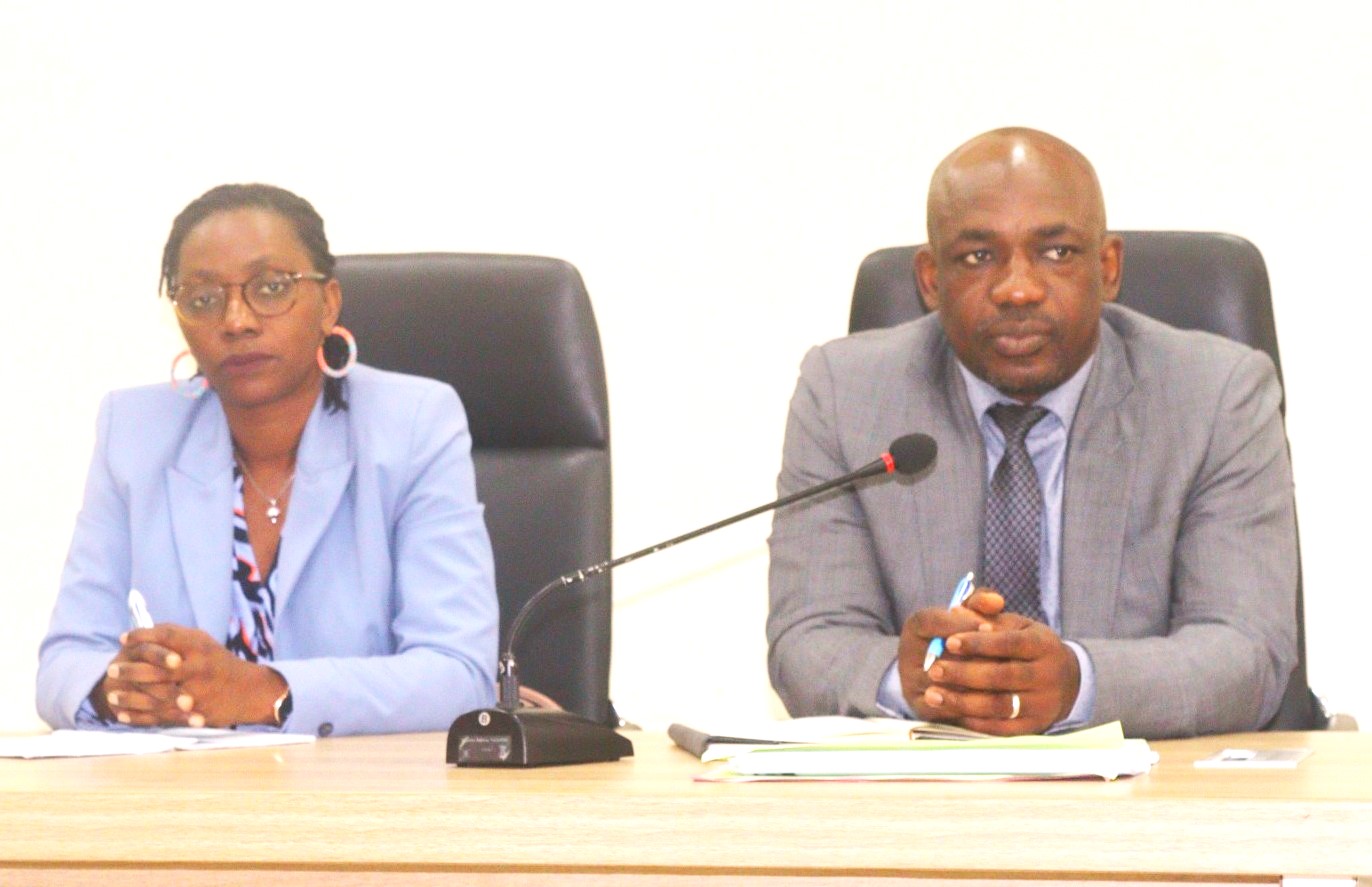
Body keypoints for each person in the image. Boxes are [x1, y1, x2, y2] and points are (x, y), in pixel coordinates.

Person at [766, 128, 1297, 739]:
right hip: (922, 787)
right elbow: (808, 639)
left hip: (1148, 787)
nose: (1017, 289)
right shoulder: (843, 394)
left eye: (1057, 252)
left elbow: (1246, 650)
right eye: (977, 257)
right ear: (930, 280)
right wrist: (906, 680)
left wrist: (1075, 683)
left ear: (1108, 267)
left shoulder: (1216, 394)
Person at [37, 184, 498, 736]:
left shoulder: (413, 424)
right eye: (202, 298)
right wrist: (121, 689)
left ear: (328, 304)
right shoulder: (135, 432)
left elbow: (458, 675)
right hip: (179, 786)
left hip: (359, 784)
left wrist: (263, 692)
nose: (236, 320)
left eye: (271, 288)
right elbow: (64, 663)